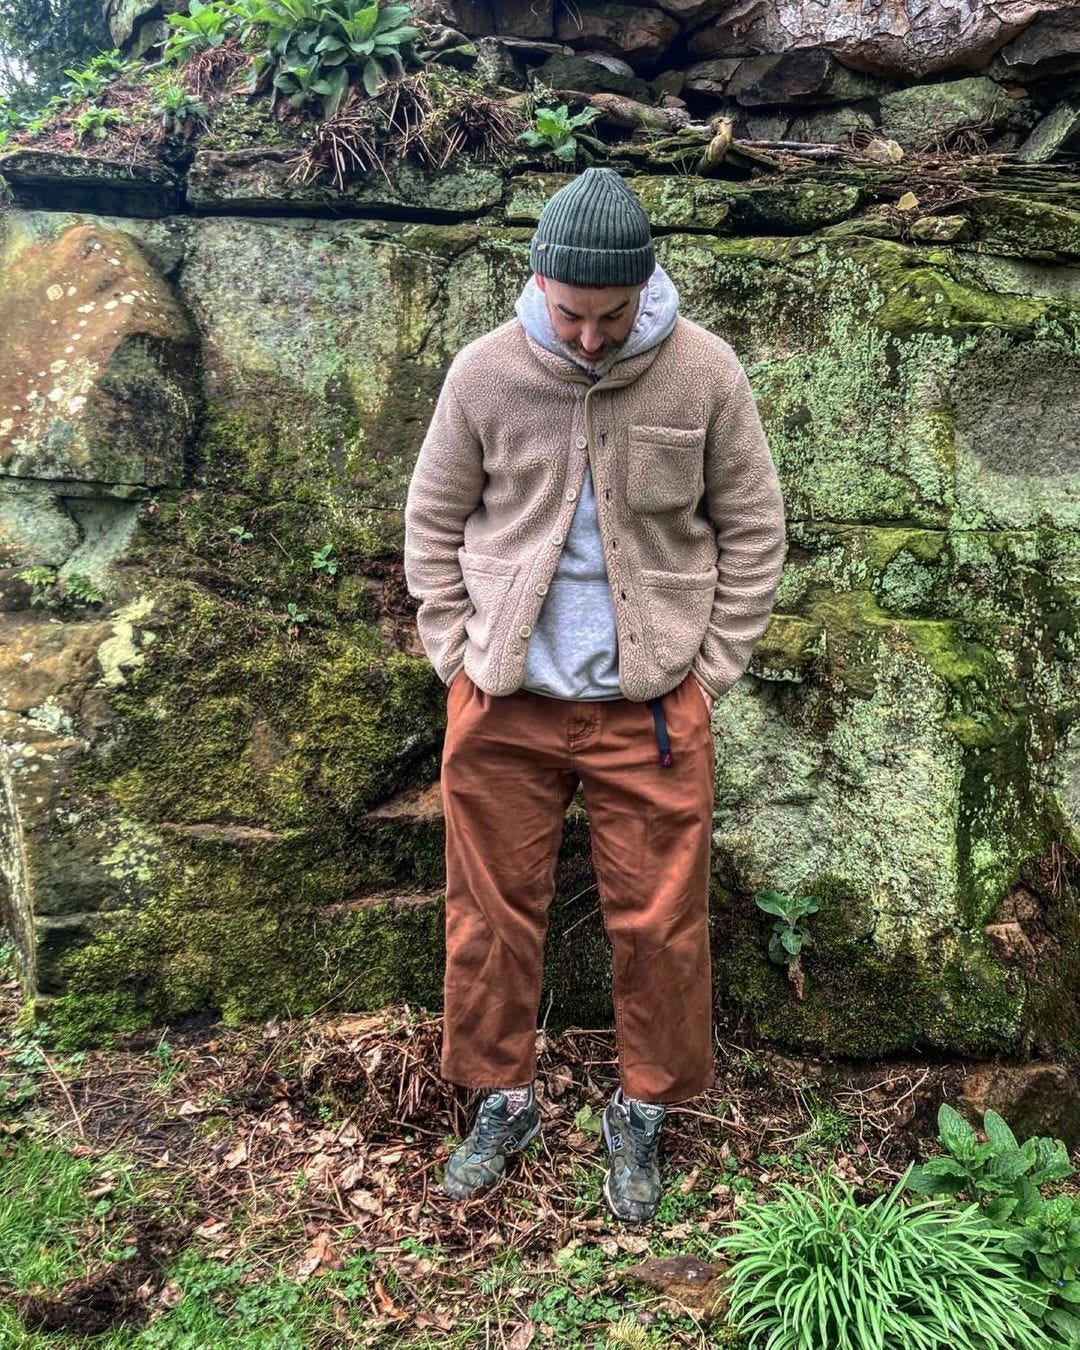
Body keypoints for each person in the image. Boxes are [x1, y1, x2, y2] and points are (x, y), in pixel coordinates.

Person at [403, 166, 787, 1222]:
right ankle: (503, 1098)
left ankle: (644, 1111)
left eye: (610, 317)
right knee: (488, 913)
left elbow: (754, 532)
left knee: (661, 922)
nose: (588, 337)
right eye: (571, 314)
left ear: (645, 287)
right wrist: (455, 656)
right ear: (537, 281)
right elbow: (431, 527)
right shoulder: (482, 374)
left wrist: (708, 671)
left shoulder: (706, 374)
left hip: (652, 707)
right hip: (504, 701)